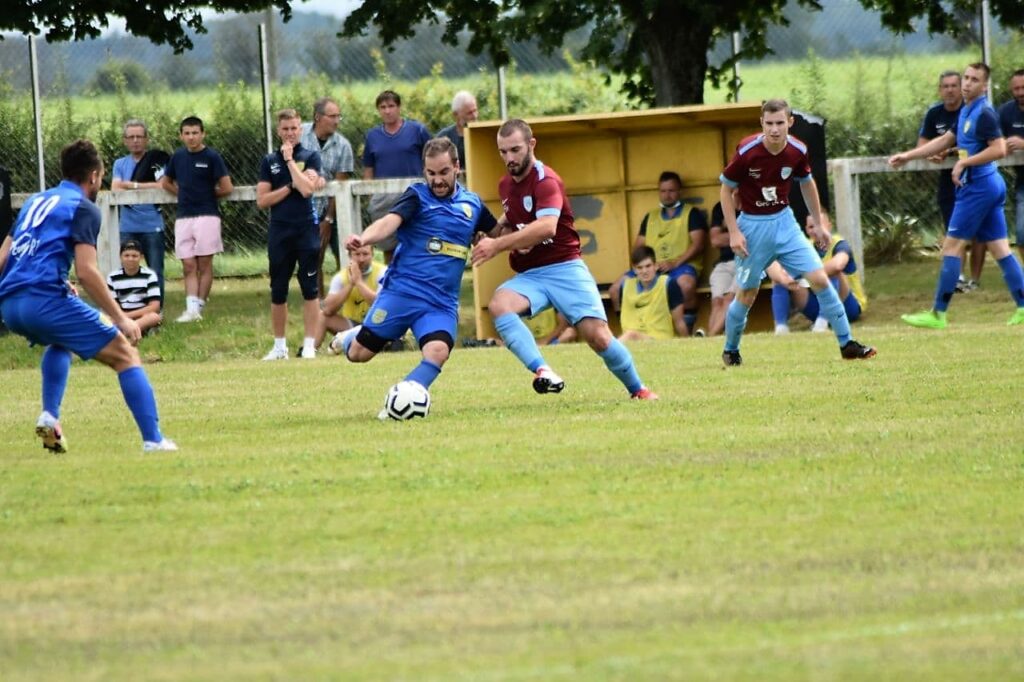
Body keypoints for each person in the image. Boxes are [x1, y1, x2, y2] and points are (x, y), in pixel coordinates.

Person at [0, 139, 176, 452]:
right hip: (43, 300)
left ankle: (50, 416)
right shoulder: (83, 208)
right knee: (125, 355)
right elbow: (87, 272)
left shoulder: (34, 202)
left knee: (62, 339)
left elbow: (4, 257)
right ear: (94, 176)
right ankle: (154, 441)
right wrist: (122, 318)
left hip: (11, 304)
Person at [471, 118, 657, 400]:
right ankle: (543, 370)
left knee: (598, 337)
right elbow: (513, 216)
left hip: (566, 268)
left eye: (515, 150)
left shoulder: (547, 181)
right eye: (503, 152)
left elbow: (547, 227)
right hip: (532, 275)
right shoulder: (505, 185)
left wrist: (498, 244)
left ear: (531, 144)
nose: (509, 158)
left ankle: (639, 389)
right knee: (500, 305)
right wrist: (492, 230)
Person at [329, 137, 497, 417]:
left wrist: (519, 236)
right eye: (431, 173)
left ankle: (404, 399)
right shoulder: (417, 197)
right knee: (359, 354)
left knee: (438, 351)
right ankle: (351, 337)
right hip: (401, 294)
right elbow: (389, 223)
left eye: (444, 172)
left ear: (457, 167)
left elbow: (498, 233)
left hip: (440, 303)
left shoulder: (473, 205)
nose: (437, 180)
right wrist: (363, 238)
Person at [719, 99, 876, 366]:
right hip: (753, 226)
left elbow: (807, 183)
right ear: (762, 123)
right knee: (747, 293)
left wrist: (819, 223)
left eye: (780, 123)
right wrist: (733, 231)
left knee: (820, 278)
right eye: (769, 123)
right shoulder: (747, 150)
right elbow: (725, 189)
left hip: (785, 223)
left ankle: (847, 343)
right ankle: (731, 349)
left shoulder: (797, 150)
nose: (775, 129)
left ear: (790, 122)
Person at [890, 63, 1024, 329]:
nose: (966, 84)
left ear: (984, 85)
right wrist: (909, 155)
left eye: (974, 80)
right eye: (965, 78)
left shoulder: (984, 112)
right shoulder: (966, 110)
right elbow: (946, 140)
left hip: (978, 188)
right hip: (987, 186)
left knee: (951, 247)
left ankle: (938, 314)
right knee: (1000, 249)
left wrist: (964, 163)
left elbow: (998, 149)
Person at [256, 109, 326, 360]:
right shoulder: (268, 161)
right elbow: (263, 199)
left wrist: (289, 163)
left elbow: (307, 190)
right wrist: (288, 186)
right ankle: (279, 346)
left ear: (301, 129)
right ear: (278, 131)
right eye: (285, 129)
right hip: (280, 231)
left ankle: (309, 345)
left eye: (294, 128)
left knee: (310, 287)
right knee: (278, 289)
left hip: (306, 229)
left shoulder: (311, 156)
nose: (290, 133)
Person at [609, 171, 707, 336]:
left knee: (686, 285)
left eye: (671, 191)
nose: (667, 195)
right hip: (652, 265)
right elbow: (638, 247)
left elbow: (698, 244)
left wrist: (675, 263)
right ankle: (626, 328)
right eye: (663, 191)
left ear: (679, 191)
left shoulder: (691, 213)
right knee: (615, 290)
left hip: (681, 266)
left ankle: (687, 333)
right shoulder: (651, 216)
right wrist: (647, 265)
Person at [161, 116, 233, 323]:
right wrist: (182, 194)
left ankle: (198, 307)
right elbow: (166, 182)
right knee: (188, 264)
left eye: (195, 133)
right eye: (187, 133)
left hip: (207, 215)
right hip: (184, 216)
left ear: (202, 134)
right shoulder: (177, 157)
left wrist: (207, 196)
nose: (191, 137)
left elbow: (227, 187)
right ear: (181, 135)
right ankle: (190, 308)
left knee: (204, 263)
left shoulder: (212, 157)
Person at [919, 70, 985, 291]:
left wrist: (946, 151)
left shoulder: (971, 112)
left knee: (978, 233)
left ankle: (974, 280)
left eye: (953, 85)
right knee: (953, 230)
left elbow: (976, 144)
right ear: (940, 90)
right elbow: (923, 144)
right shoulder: (934, 114)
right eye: (945, 86)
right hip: (948, 182)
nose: (949, 90)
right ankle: (957, 278)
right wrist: (930, 153)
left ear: (961, 88)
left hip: (974, 178)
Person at [362, 90, 432, 264]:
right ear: (378, 110)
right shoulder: (372, 136)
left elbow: (432, 159)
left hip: (414, 197)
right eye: (383, 107)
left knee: (419, 246)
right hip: (384, 200)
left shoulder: (417, 130)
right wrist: (371, 196)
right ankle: (393, 286)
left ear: (399, 107)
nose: (387, 111)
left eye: (391, 106)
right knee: (389, 249)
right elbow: (368, 168)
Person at [770, 211, 867, 334]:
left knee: (832, 272)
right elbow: (775, 263)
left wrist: (805, 273)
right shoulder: (804, 246)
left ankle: (822, 323)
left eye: (819, 224)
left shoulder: (839, 244)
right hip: (817, 304)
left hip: (846, 306)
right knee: (781, 278)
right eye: (811, 226)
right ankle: (781, 328)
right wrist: (784, 277)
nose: (816, 230)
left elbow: (838, 265)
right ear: (806, 229)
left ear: (829, 226)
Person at [110, 119, 169, 305]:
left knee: (155, 269)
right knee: (126, 268)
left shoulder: (156, 161)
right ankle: (127, 307)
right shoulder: (120, 164)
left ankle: (157, 311)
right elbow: (116, 189)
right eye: (131, 137)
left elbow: (162, 186)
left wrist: (132, 185)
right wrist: (137, 187)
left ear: (146, 139)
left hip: (152, 224)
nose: (135, 140)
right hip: (127, 225)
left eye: (139, 136)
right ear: (125, 140)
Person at [300, 96, 355, 296]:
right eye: (332, 116)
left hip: (335, 210)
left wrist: (328, 220)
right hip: (303, 208)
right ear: (317, 117)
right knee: (314, 256)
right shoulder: (299, 135)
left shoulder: (343, 146)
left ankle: (351, 298)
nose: (336, 120)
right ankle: (319, 302)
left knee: (348, 255)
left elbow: (340, 186)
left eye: (338, 116)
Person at [316, 243, 385, 350]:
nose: (361, 259)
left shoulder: (383, 272)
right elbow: (327, 310)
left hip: (379, 323)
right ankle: (309, 351)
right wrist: (350, 284)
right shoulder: (340, 277)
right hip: (352, 325)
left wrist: (359, 282)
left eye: (365, 254)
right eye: (357, 254)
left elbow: (380, 304)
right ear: (350, 256)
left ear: (372, 254)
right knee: (322, 316)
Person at [618, 245, 686, 341]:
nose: (644, 271)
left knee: (631, 335)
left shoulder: (668, 284)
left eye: (648, 266)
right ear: (634, 269)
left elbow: (679, 322)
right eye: (640, 268)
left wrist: (687, 343)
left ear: (656, 266)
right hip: (631, 342)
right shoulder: (625, 287)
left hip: (659, 340)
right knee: (630, 335)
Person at [107, 239, 162, 336]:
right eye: (126, 255)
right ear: (121, 257)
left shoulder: (149, 275)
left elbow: (154, 306)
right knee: (103, 318)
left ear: (141, 257)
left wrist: (127, 316)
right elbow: (113, 304)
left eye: (134, 256)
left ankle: (127, 331)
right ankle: (134, 330)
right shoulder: (112, 277)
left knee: (154, 317)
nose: (130, 259)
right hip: (121, 315)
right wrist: (121, 317)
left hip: (142, 315)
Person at [998, 68, 1024, 262]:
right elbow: (993, 139)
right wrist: (1002, 145)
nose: (1020, 92)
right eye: (1016, 88)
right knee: (1022, 235)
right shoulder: (1006, 112)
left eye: (1023, 87)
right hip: (1023, 183)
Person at [706, 198, 738, 337]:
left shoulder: (753, 203)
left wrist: (727, 233)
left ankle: (709, 338)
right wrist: (738, 233)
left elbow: (755, 238)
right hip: (724, 263)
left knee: (728, 300)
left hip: (748, 262)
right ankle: (711, 338)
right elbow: (715, 240)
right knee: (717, 302)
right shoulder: (720, 207)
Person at [436, 91, 479, 173]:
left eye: (475, 111)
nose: (475, 116)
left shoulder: (485, 136)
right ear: (456, 114)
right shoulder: (443, 139)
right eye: (469, 113)